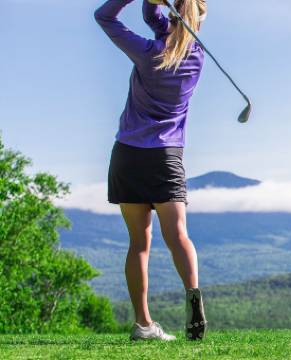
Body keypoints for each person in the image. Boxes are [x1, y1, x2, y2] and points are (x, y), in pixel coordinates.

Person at [94, 0, 207, 341]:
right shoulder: (197, 58)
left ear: (173, 17)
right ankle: (193, 296)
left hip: (128, 155)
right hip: (165, 157)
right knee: (178, 237)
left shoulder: (146, 52)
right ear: (197, 22)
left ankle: (143, 324)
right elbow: (160, 23)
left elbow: (104, 16)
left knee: (139, 244)